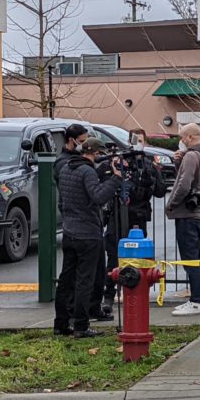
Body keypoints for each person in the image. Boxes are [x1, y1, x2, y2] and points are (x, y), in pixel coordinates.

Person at [54, 138, 124, 338]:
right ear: (95, 153)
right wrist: (116, 178)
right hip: (88, 234)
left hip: (70, 232)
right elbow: (98, 196)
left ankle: (60, 323)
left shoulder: (67, 168)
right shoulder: (87, 172)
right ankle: (81, 326)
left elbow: (63, 201)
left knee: (66, 280)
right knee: (85, 281)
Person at [100, 131, 166, 312]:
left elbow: (160, 191)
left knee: (137, 257)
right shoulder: (119, 163)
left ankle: (136, 290)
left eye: (140, 141)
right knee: (113, 255)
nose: (137, 145)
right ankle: (108, 294)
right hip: (118, 215)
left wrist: (152, 177)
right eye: (134, 141)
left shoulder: (148, 165)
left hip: (139, 215)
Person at [165, 123, 200, 316]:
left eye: (182, 137)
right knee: (195, 258)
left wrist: (171, 203)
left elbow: (184, 184)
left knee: (190, 260)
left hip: (187, 214)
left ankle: (196, 301)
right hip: (199, 213)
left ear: (190, 138)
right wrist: (179, 163)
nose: (180, 141)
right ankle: (197, 298)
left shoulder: (192, 156)